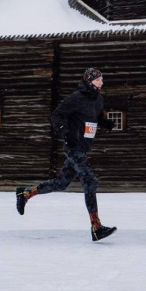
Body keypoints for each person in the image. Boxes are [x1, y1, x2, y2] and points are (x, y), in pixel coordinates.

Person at [15, 67, 117, 242]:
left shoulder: (98, 99)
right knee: (90, 181)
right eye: (98, 79)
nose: (101, 82)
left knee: (62, 183)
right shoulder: (76, 98)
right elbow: (57, 116)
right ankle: (96, 227)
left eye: (102, 79)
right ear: (89, 81)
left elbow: (94, 117)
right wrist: (66, 133)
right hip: (74, 147)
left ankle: (25, 193)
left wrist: (104, 123)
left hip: (84, 148)